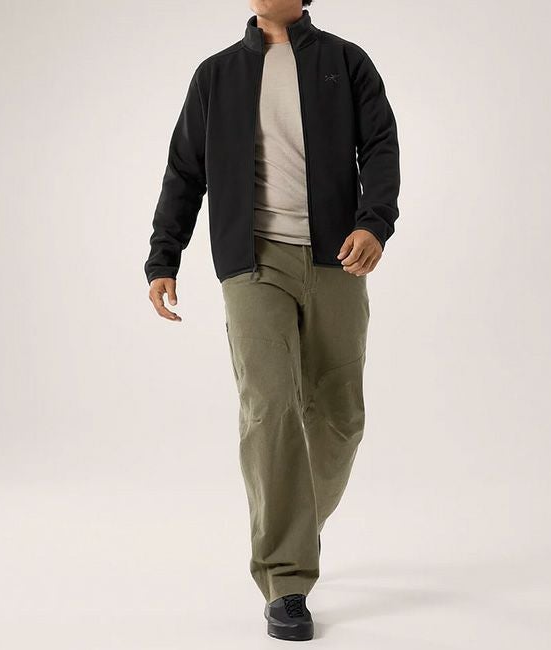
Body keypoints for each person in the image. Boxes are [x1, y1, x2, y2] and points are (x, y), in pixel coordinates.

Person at [144, 0, 400, 641]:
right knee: (270, 407)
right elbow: (185, 170)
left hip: (337, 258)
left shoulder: (346, 61)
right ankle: (286, 580)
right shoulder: (217, 74)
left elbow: (380, 147)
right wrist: (163, 256)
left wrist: (374, 223)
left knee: (340, 417)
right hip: (252, 261)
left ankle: (295, 524)